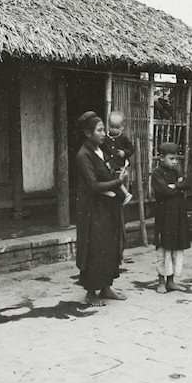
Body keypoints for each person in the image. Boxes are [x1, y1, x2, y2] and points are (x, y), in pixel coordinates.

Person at [74, 111, 129, 307]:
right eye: (100, 130)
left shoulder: (100, 150)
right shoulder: (84, 155)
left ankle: (106, 287)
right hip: (92, 209)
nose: (104, 133)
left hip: (107, 206)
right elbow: (94, 186)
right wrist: (118, 181)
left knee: (110, 245)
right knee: (95, 247)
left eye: (104, 129)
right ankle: (91, 292)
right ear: (88, 133)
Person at [151, 142, 191, 294]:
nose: (175, 162)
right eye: (171, 158)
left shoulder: (176, 171)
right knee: (164, 248)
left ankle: (171, 281)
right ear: (161, 158)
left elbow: (188, 184)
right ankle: (161, 282)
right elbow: (164, 191)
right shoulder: (157, 174)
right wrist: (177, 187)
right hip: (164, 216)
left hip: (178, 215)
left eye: (176, 159)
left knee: (175, 247)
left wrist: (176, 186)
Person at [101, 111, 134, 206]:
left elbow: (131, 149)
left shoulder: (123, 138)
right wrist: (106, 159)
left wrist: (124, 152)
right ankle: (107, 190)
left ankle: (126, 194)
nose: (114, 130)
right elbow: (101, 150)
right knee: (105, 175)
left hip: (120, 164)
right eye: (112, 127)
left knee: (117, 178)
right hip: (109, 163)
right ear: (108, 125)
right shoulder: (105, 138)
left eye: (117, 128)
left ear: (122, 127)